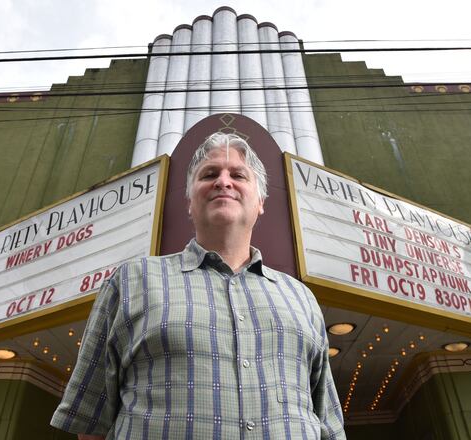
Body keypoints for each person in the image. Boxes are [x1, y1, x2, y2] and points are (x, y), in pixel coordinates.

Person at [51, 132, 344, 439]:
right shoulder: (131, 281)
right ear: (190, 202)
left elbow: (328, 425)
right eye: (209, 174)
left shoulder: (301, 297)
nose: (223, 181)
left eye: (238, 175)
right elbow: (90, 423)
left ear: (260, 202)